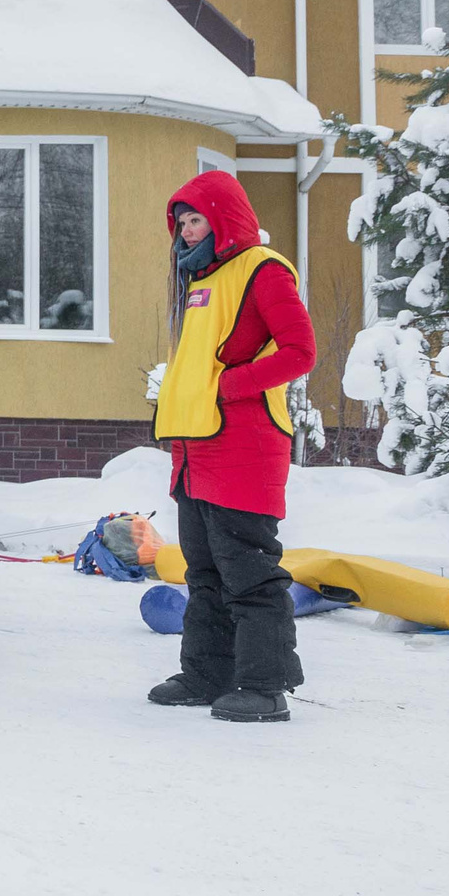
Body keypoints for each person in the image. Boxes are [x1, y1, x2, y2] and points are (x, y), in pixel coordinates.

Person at [149, 170, 317, 722]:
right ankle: (206, 675)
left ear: (224, 218)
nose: (187, 231)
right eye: (181, 222)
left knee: (248, 570)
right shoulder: (200, 280)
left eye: (197, 219)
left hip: (243, 444)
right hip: (195, 449)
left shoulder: (262, 270)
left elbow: (300, 351)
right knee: (204, 572)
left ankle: (265, 686)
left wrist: (230, 386)